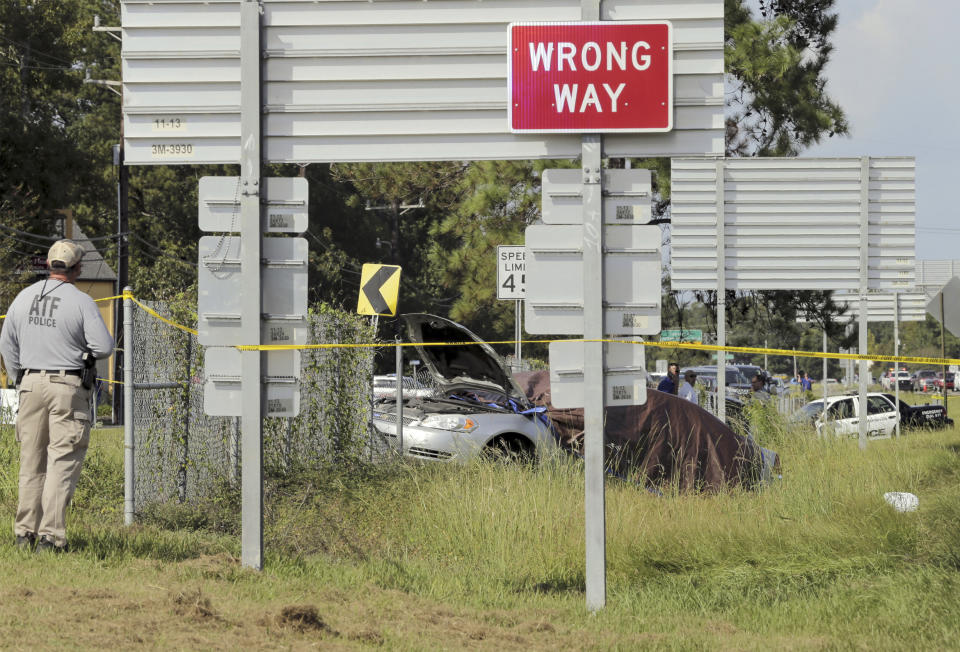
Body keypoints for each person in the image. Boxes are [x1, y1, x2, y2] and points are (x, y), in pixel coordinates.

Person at [0, 240, 114, 553]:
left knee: (31, 462)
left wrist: (18, 377)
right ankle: (51, 538)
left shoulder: (22, 298)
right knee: (62, 461)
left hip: (30, 384)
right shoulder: (81, 302)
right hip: (66, 387)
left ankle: (25, 534)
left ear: (50, 265)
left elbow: (6, 342)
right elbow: (104, 346)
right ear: (77, 268)